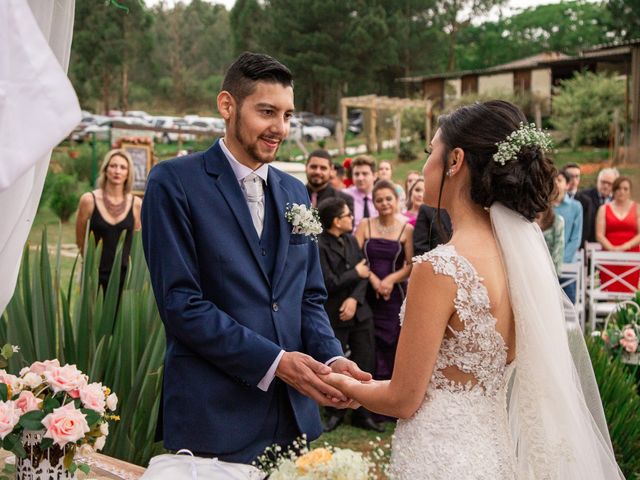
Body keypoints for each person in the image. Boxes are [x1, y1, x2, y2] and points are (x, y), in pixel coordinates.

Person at [323, 100, 622, 479]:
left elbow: (403, 398)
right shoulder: (517, 263)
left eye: (431, 152)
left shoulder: (441, 268)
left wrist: (345, 384)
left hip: (440, 458)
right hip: (493, 454)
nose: (422, 167)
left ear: (455, 160)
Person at [141, 52, 369, 466]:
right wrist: (276, 362)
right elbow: (181, 305)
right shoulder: (174, 184)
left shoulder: (296, 192)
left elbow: (308, 298)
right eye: (267, 112)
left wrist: (333, 358)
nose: (279, 128)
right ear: (227, 105)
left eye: (287, 115)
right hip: (214, 419)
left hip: (293, 422)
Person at [317, 197, 382, 433]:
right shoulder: (319, 245)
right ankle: (334, 412)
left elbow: (365, 273)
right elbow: (327, 282)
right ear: (336, 221)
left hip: (360, 312)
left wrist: (354, 299)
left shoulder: (352, 240)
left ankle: (363, 414)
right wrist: (354, 272)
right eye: (347, 215)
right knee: (336, 363)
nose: (351, 219)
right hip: (335, 314)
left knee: (365, 360)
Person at [355, 180, 413, 390]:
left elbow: (411, 264)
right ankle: (367, 392)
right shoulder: (365, 225)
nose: (384, 203)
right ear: (374, 203)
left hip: (394, 295)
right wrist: (374, 280)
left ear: (397, 201)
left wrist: (389, 280)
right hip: (367, 293)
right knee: (369, 342)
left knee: (392, 342)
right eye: (379, 200)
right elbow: (354, 258)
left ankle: (390, 392)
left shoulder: (407, 230)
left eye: (388, 199)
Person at [75, 148, 142, 292]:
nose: (117, 171)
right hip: (94, 277)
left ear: (128, 173)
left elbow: (137, 245)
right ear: (105, 169)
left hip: (124, 281)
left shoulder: (136, 204)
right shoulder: (88, 200)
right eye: (113, 166)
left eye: (123, 167)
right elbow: (80, 240)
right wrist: (90, 266)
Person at [596, 176, 640, 292]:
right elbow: (599, 235)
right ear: (614, 190)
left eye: (626, 189)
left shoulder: (637, 209)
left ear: (630, 191)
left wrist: (625, 246)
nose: (622, 192)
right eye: (619, 188)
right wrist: (612, 249)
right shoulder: (604, 209)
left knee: (630, 291)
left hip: (631, 257)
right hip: (609, 256)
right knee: (610, 290)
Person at [553, 170, 583, 302]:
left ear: (567, 185)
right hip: (545, 264)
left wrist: (561, 260)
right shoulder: (542, 207)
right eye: (552, 180)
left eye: (559, 180)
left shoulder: (576, 207)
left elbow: (575, 238)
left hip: (567, 264)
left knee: (569, 305)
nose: (555, 183)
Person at [582, 167, 619, 242]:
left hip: (612, 243)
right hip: (589, 243)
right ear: (597, 181)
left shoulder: (619, 200)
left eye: (609, 184)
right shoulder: (584, 197)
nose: (605, 186)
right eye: (603, 182)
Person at [563, 163, 593, 250]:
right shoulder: (555, 199)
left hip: (577, 248)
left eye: (577, 176)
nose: (574, 179)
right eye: (570, 176)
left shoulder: (586, 201)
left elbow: (585, 228)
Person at [343, 155, 378, 230]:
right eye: (356, 174)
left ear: (374, 176)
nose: (360, 178)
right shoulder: (344, 196)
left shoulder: (381, 197)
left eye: (365, 174)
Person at [536, 202, 565, 276]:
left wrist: (547, 267)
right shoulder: (530, 219)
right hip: (534, 265)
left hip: (551, 268)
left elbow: (558, 248)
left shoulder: (557, 220)